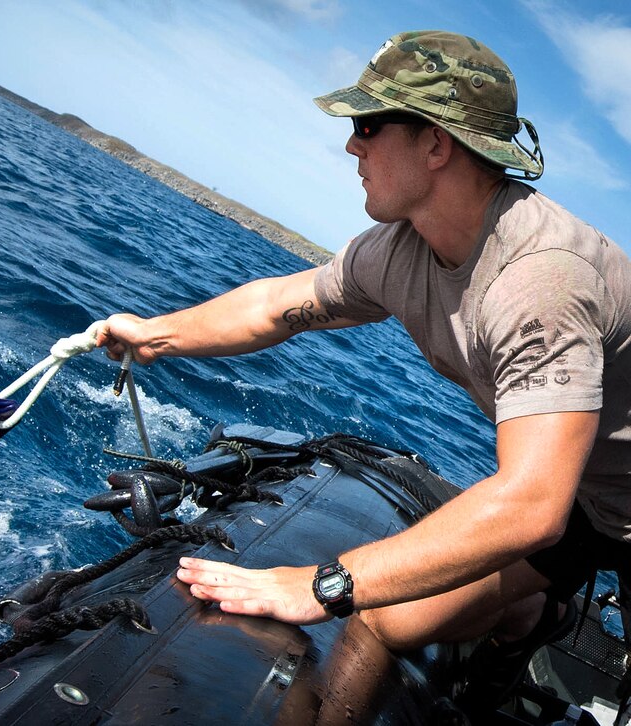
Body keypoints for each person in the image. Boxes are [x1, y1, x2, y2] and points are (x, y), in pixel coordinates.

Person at [96, 30, 631, 711]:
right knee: (402, 617)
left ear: (436, 145)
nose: (352, 145)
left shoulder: (541, 282)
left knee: (371, 606)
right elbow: (276, 305)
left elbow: (529, 504)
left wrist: (321, 584)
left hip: (567, 497)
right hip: (583, 493)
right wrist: (155, 334)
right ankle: (532, 618)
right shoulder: (398, 252)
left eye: (368, 125)